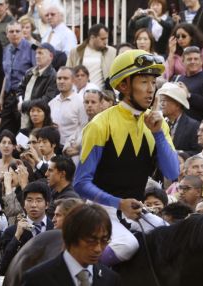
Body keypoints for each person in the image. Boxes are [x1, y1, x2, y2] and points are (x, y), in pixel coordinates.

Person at [73, 49, 179, 266]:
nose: (151, 90)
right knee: (127, 245)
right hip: (100, 210)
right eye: (143, 82)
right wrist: (119, 203)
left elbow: (173, 173)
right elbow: (81, 183)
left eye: (153, 82)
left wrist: (158, 133)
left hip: (135, 209)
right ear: (123, 86)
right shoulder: (100, 124)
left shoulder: (158, 124)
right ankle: (82, 277)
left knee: (173, 238)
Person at [5, 204, 125, 286]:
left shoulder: (110, 280)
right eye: (91, 241)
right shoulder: (37, 279)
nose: (98, 248)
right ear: (72, 237)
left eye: (104, 240)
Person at [0, 181, 54, 275]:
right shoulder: (11, 231)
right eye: (29, 200)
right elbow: (4, 265)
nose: (33, 205)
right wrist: (17, 237)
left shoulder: (55, 229)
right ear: (24, 204)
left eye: (39, 200)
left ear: (47, 204)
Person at [0, 22, 37, 130]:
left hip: (24, 96)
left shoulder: (31, 48)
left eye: (17, 31)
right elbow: (6, 75)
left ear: (22, 33)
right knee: (5, 130)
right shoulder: (6, 50)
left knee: (22, 131)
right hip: (9, 97)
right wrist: (1, 98)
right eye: (11, 31)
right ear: (7, 34)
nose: (14, 34)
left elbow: (36, 73)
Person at [17, 43, 59, 132]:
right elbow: (20, 89)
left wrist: (24, 105)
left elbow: (47, 100)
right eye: (36, 53)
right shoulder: (29, 72)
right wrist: (20, 101)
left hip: (39, 122)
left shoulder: (53, 76)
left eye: (41, 53)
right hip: (23, 117)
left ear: (50, 56)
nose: (37, 56)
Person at [48, 67, 88, 152]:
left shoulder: (81, 102)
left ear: (73, 80)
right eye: (59, 78)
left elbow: (84, 128)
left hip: (70, 150)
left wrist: (76, 147)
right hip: (52, 148)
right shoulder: (52, 103)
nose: (61, 81)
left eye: (65, 78)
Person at [157, 82, 201, 156]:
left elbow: (198, 153)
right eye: (160, 100)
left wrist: (179, 154)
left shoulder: (193, 126)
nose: (161, 104)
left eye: (165, 100)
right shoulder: (158, 123)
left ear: (177, 105)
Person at [175, 46, 203, 121]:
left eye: (196, 59)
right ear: (183, 61)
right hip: (179, 124)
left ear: (201, 61)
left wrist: (189, 95)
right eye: (189, 59)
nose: (193, 62)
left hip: (198, 125)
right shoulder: (178, 79)